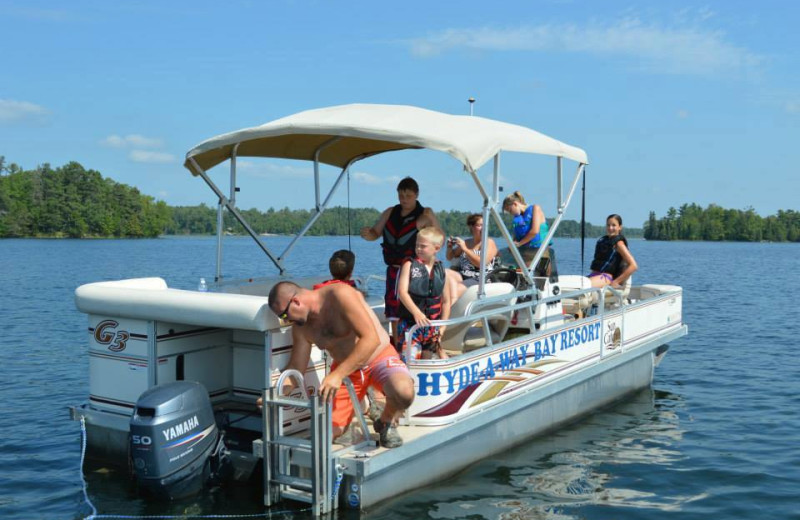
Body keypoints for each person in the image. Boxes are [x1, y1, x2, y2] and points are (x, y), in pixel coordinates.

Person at [268, 281, 415, 448]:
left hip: (378, 358)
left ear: (295, 302)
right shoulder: (302, 328)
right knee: (324, 435)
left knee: (404, 392)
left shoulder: (340, 295)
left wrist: (337, 376)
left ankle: (385, 420)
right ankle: (355, 413)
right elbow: (296, 368)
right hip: (347, 373)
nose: (286, 321)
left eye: (284, 316)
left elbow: (371, 339)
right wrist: (274, 393)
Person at [360, 177, 440, 342]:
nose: (404, 200)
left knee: (416, 306)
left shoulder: (425, 214)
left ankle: (423, 342)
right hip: (393, 269)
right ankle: (397, 344)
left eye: (408, 196)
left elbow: (440, 239)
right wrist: (368, 234)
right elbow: (376, 233)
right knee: (393, 310)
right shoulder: (390, 212)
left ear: (416, 195)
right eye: (401, 196)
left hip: (414, 269)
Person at [396, 226, 452, 360]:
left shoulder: (441, 270)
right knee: (409, 359)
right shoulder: (409, 265)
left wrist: (443, 326)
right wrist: (416, 313)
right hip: (411, 325)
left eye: (423, 246)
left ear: (436, 248)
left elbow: (446, 301)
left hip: (432, 327)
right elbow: (402, 292)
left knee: (427, 359)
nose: (418, 249)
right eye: (417, 245)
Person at [502, 191, 556, 279]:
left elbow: (534, 231)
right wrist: (513, 244)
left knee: (542, 279)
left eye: (510, 210)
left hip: (540, 251)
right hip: (525, 253)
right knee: (523, 278)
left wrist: (519, 244)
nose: (511, 214)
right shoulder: (518, 218)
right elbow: (517, 236)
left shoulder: (535, 208)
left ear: (515, 204)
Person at [445, 213, 498, 300]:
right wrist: (449, 247)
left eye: (484, 225)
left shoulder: (489, 242)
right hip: (463, 276)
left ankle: (451, 311)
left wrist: (465, 249)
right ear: (471, 227)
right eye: (480, 225)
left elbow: (482, 263)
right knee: (443, 274)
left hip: (480, 279)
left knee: (454, 289)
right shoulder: (467, 242)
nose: (483, 228)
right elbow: (450, 256)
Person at [588, 214, 638, 288]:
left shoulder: (619, 244)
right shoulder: (604, 241)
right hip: (594, 275)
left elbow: (634, 266)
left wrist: (616, 281)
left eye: (613, 225)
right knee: (574, 285)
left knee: (583, 286)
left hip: (605, 278)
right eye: (608, 225)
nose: (610, 228)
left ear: (619, 227)